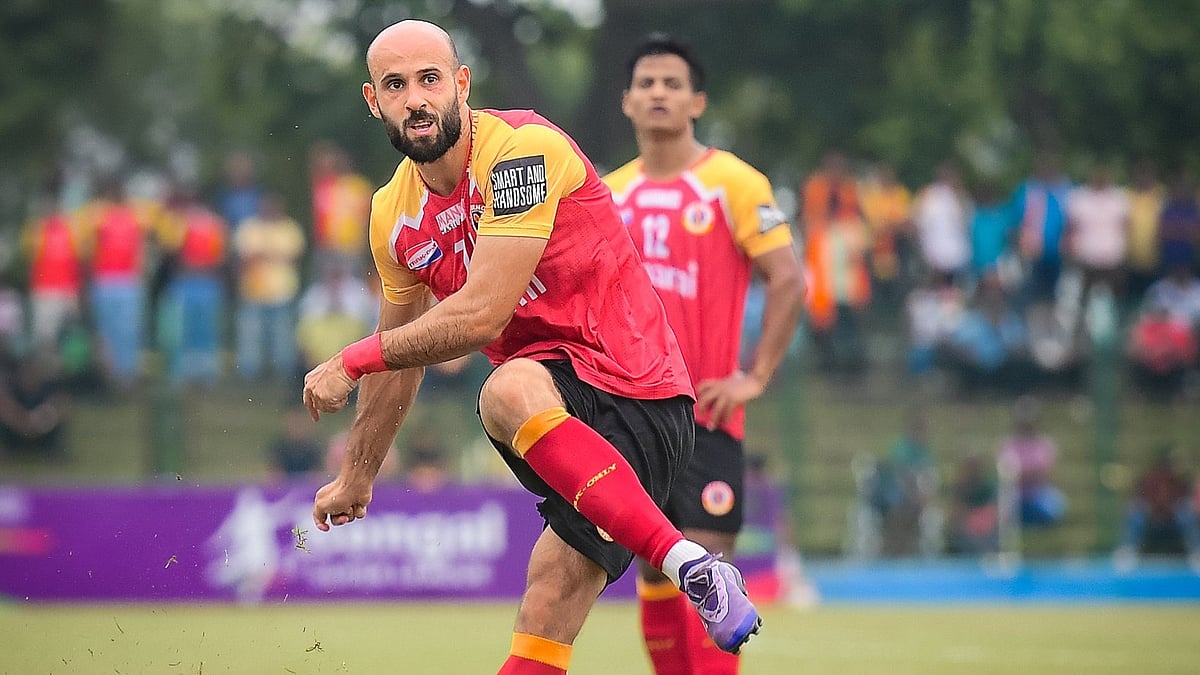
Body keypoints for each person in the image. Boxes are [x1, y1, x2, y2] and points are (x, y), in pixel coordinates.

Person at [300, 21, 761, 674]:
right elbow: (400, 361)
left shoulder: (521, 151)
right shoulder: (390, 214)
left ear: (461, 85)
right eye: (396, 85)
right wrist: (358, 473)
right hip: (561, 411)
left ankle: (686, 562)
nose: (416, 99)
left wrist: (350, 358)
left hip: (638, 389)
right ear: (373, 100)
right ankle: (694, 567)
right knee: (546, 601)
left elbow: (482, 314)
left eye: (430, 79)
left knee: (504, 389)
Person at [603, 34, 803, 675]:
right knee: (658, 571)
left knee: (710, 572)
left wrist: (757, 376)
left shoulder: (734, 182)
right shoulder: (605, 196)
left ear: (697, 101)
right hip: (629, 415)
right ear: (627, 101)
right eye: (646, 83)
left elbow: (790, 278)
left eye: (672, 83)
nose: (658, 92)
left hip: (708, 413)